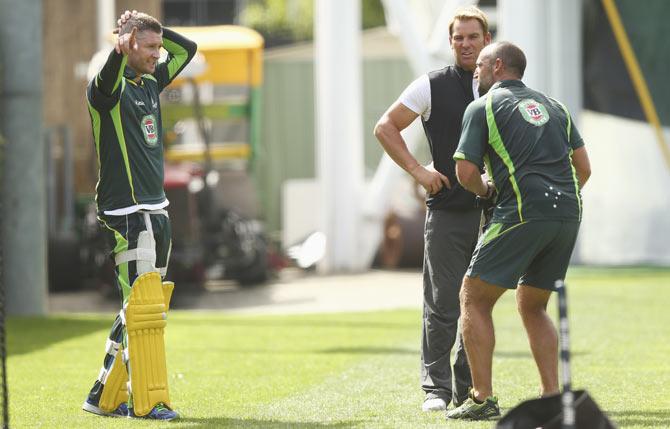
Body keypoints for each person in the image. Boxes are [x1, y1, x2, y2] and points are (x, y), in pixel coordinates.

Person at [446, 41, 592, 420]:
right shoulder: (555, 107)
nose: (474, 72)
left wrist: (487, 190)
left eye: (479, 65)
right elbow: (584, 169)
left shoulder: (484, 107)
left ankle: (481, 398)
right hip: (568, 213)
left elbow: (465, 173)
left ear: (497, 66)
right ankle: (551, 398)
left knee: (473, 296)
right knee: (533, 304)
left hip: (523, 212)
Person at [373, 6, 492, 412]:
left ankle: (469, 390)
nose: (465, 43)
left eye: (472, 36)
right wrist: (418, 170)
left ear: (486, 41)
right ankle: (436, 390)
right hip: (447, 213)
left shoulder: (503, 88)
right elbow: (385, 127)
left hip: (494, 215)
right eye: (458, 37)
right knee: (442, 303)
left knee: (479, 305)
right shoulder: (431, 84)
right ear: (450, 42)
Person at [81, 10, 196, 420]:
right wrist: (121, 45)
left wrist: (155, 28)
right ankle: (147, 403)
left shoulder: (150, 81)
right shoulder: (105, 91)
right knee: (142, 307)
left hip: (157, 209)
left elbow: (188, 50)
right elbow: (108, 77)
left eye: (156, 47)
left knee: (143, 305)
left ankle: (101, 395)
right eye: (148, 47)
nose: (156, 54)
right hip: (124, 212)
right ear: (127, 46)